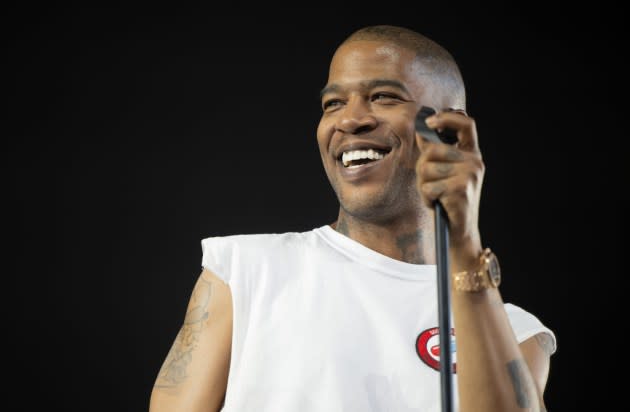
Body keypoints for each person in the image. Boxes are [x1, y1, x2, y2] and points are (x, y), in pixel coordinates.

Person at [149, 25, 556, 412]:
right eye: (333, 104)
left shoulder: (513, 331)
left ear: (450, 130)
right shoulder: (244, 271)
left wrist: (464, 244)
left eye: (383, 96)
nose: (349, 120)